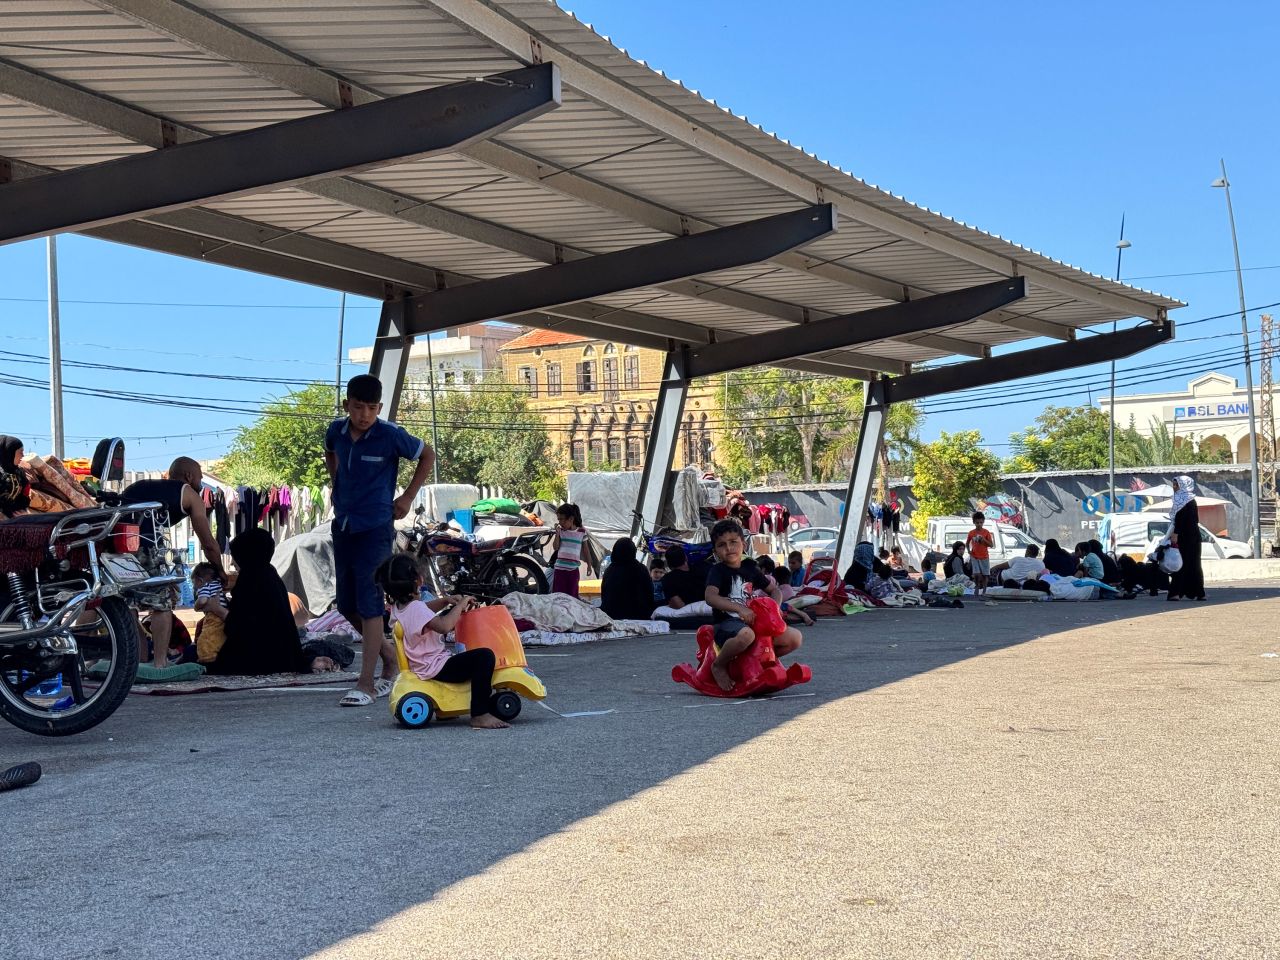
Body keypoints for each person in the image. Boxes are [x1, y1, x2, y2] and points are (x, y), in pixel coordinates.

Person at [325, 374, 435, 707]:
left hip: (376, 526)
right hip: (343, 524)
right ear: (347, 406)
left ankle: (367, 683)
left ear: (380, 408)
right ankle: (389, 656)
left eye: (372, 408)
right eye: (358, 407)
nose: (365, 415)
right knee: (346, 604)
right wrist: (335, 482)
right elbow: (330, 453)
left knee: (371, 604)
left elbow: (427, 454)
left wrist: (406, 497)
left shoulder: (390, 436)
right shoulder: (336, 432)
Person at [375, 553, 508, 730]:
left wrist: (445, 601)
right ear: (419, 581)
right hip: (435, 666)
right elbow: (444, 626)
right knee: (484, 657)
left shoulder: (399, 607)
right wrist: (460, 607)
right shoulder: (415, 608)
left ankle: (450, 706)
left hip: (423, 664)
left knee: (470, 657)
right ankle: (480, 714)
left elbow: (423, 610)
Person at [120, 456, 225, 673]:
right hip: (146, 546)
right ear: (188, 476)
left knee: (125, 605)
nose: (201, 482)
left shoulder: (139, 485)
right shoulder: (189, 493)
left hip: (117, 546)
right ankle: (160, 663)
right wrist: (220, 570)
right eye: (200, 477)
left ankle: (136, 661)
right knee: (162, 604)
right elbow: (208, 542)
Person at [213, 528, 339, 675]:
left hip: (259, 657)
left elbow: (240, 627)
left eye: (235, 555)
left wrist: (216, 608)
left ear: (246, 554)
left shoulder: (250, 580)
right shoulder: (270, 574)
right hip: (284, 655)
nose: (233, 561)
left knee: (197, 658)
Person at [703, 519, 803, 692]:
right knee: (747, 635)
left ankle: (761, 660)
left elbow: (775, 591)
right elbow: (710, 597)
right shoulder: (718, 571)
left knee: (795, 638)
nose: (729, 548)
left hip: (752, 621)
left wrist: (775, 609)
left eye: (733, 542)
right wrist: (739, 608)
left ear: (744, 543)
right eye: (722, 545)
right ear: (716, 551)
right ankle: (719, 665)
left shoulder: (750, 569)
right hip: (727, 623)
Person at [1168, 475, 1206, 602]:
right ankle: (1198, 593)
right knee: (1194, 564)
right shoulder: (1191, 499)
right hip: (1194, 536)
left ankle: (1175, 593)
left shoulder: (1182, 500)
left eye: (1176, 485)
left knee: (1179, 564)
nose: (1174, 487)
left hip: (1184, 537)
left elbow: (1181, 519)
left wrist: (1175, 534)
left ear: (1183, 486)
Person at [600, 538, 656, 621]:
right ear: (633, 551)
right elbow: (649, 595)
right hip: (638, 615)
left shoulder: (610, 570)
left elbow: (604, 595)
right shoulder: (641, 569)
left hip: (611, 615)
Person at [191, 562, 230, 664]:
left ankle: (206, 657)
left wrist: (196, 606)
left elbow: (203, 600)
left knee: (206, 638)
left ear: (199, 580)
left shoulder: (204, 586)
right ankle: (214, 654)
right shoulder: (217, 584)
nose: (195, 587)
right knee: (218, 636)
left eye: (194, 583)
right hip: (223, 617)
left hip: (213, 617)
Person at [550, 503, 586, 598]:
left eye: (562, 519)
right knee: (558, 596)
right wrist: (557, 534)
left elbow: (586, 549)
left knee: (572, 596)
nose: (560, 522)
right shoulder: (561, 531)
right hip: (560, 569)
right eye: (558, 520)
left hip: (573, 570)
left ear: (571, 519)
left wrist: (589, 565)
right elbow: (556, 547)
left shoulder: (581, 532)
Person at [0, 435, 31, 518]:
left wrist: (24, 512)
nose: (23, 455)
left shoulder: (20, 473)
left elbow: (24, 497)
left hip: (14, 518)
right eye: (20, 452)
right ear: (10, 452)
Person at [965, 512, 993, 595]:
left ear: (983, 522)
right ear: (974, 522)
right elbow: (967, 543)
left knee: (985, 574)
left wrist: (983, 539)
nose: (979, 524)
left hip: (984, 556)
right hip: (974, 556)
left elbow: (991, 545)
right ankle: (977, 586)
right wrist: (969, 551)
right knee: (976, 574)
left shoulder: (986, 532)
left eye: (981, 522)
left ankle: (984, 590)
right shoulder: (971, 533)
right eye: (977, 522)